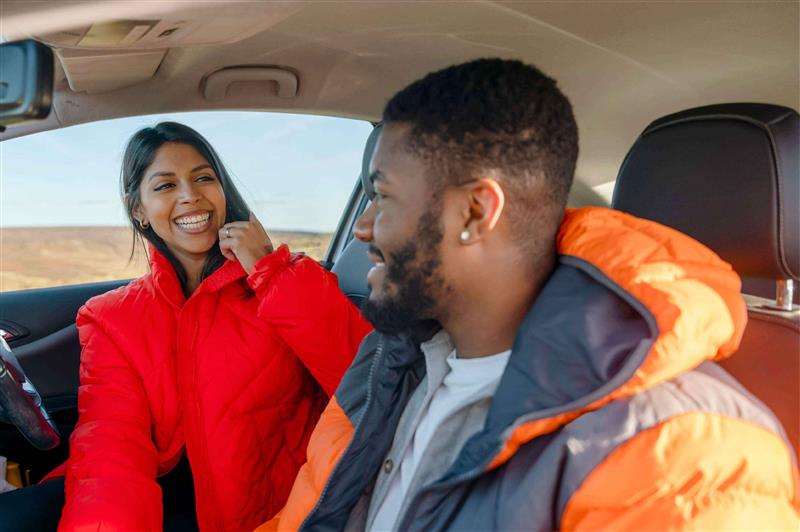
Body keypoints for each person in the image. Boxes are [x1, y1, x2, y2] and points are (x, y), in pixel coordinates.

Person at [258, 59, 799, 531]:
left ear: (474, 213)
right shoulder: (391, 361)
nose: (363, 226)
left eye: (381, 196)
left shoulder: (686, 458)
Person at [0, 122, 372, 531]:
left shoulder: (287, 279)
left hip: (283, 509)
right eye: (164, 186)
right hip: (165, 500)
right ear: (137, 209)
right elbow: (111, 447)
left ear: (223, 191)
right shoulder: (111, 316)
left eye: (203, 178)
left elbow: (366, 383)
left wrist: (270, 269)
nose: (189, 195)